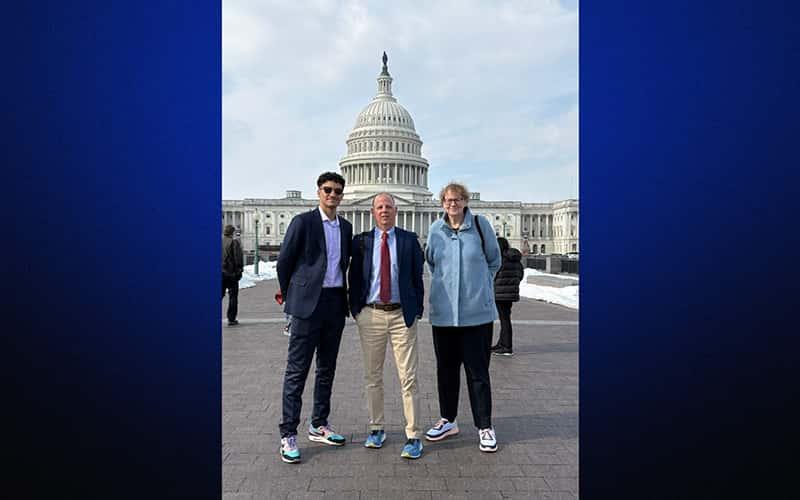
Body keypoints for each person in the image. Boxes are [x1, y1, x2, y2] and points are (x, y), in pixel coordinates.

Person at [276, 172, 353, 464]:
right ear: (319, 192)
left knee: (327, 369)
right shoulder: (303, 222)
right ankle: (288, 433)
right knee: (297, 371)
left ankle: (319, 424)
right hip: (308, 304)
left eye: (337, 191)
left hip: (334, 303)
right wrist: (294, 293)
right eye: (327, 190)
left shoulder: (345, 227)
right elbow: (285, 261)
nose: (332, 195)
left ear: (342, 195)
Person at [424, 182, 502, 453]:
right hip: (445, 316)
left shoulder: (480, 226)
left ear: (465, 201)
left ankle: (485, 426)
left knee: (477, 373)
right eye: (447, 200)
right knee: (445, 371)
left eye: (457, 200)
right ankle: (448, 420)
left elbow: (494, 260)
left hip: (476, 316)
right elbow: (432, 262)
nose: (452, 205)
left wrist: (480, 285)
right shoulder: (435, 230)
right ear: (442, 203)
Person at [348, 193, 425, 459]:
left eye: (389, 207)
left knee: (409, 377)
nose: (384, 211)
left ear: (396, 210)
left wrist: (416, 310)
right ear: (372, 211)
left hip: (402, 315)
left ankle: (413, 434)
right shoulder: (361, 242)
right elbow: (354, 277)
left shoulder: (409, 240)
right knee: (373, 376)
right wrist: (356, 310)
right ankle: (376, 427)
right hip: (371, 315)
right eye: (379, 207)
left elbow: (417, 277)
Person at [490, 237, 525, 356]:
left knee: (504, 320)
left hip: (500, 294)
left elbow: (493, 276)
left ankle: (506, 346)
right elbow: (520, 275)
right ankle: (502, 343)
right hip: (510, 294)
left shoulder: (499, 259)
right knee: (505, 319)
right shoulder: (515, 260)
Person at [222, 224, 244, 326]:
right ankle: (231, 319)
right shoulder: (234, 242)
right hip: (231, 274)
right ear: (232, 232)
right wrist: (239, 270)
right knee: (233, 297)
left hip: (220, 273)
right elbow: (238, 259)